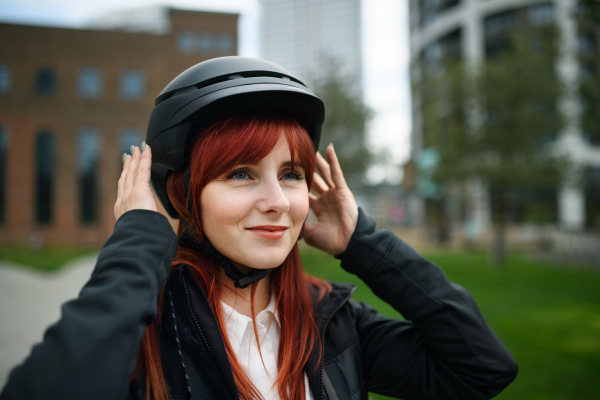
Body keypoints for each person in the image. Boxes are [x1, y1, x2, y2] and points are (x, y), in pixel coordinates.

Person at [0, 57, 517, 400]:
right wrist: (142, 238)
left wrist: (363, 243)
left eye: (290, 175)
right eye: (241, 173)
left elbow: (482, 367)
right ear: (182, 194)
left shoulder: (332, 321)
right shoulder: (144, 323)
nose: (276, 202)